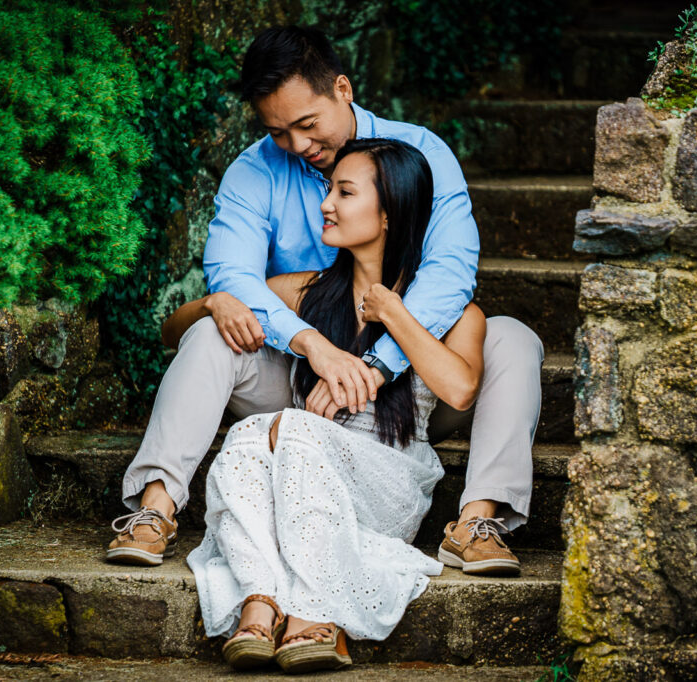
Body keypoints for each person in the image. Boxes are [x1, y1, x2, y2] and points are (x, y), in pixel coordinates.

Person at [107, 25, 543, 578]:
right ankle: (155, 508)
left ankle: (478, 521)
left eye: (307, 125)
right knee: (211, 327)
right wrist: (312, 345)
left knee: (512, 338)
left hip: (409, 387)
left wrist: (375, 364)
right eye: (278, 131)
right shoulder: (255, 170)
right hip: (299, 379)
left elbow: (449, 272)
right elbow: (231, 275)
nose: (297, 146)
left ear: (342, 87)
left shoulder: (422, 154)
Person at [188, 138, 485, 673]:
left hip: (389, 482)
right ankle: (262, 598)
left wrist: (394, 316)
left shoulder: (449, 313)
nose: (326, 204)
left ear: (390, 213)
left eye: (345, 192)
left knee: (292, 430)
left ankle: (312, 608)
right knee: (248, 436)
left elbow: (460, 390)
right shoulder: (307, 292)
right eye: (330, 190)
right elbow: (177, 329)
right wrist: (216, 299)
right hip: (297, 479)